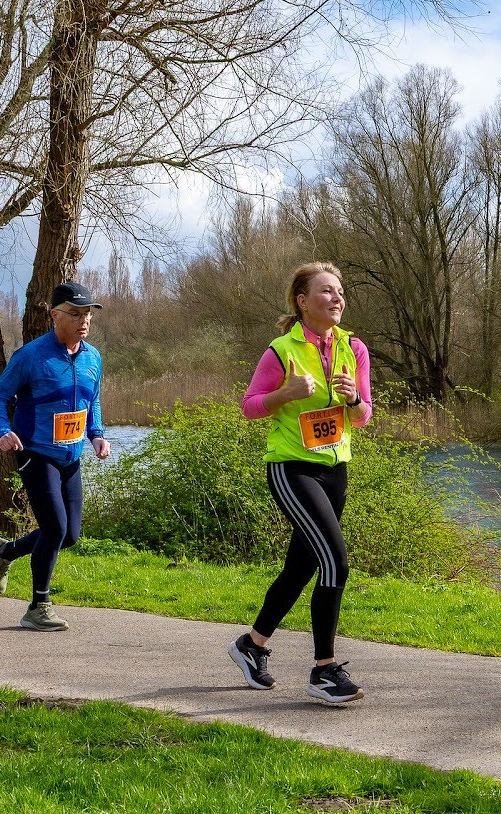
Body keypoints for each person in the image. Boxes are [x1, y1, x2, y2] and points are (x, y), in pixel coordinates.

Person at [227, 262, 372, 705]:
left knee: (302, 566)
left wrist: (352, 399)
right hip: (293, 467)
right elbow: (250, 407)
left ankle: (252, 645)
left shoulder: (355, 349)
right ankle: (324, 671)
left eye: (340, 291)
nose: (337, 298)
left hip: (335, 469)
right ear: (302, 301)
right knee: (336, 561)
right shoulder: (281, 350)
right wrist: (286, 393)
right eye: (326, 291)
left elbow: (364, 417)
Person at [0, 281, 112, 631]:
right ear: (55, 315)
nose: (83, 321)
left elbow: (92, 401)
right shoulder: (30, 357)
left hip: (70, 458)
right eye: (75, 314)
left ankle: (4, 552)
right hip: (34, 452)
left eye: (87, 314)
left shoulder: (93, 358)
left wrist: (97, 435)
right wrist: (1, 431)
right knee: (54, 527)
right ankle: (38, 606)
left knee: (69, 536)